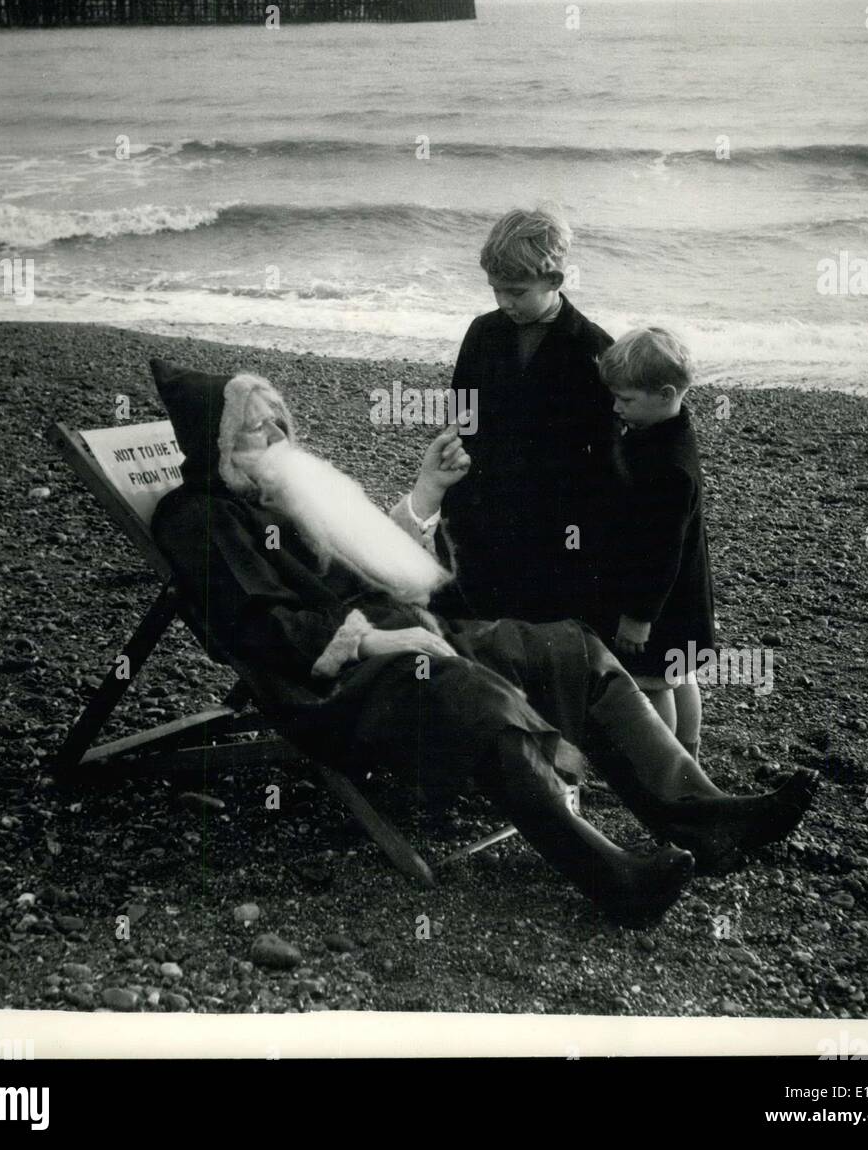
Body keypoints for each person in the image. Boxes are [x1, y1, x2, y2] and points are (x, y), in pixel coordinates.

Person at [148, 357, 818, 928]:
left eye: (276, 416)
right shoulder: (199, 517)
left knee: (572, 649)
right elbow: (260, 630)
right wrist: (381, 641)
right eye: (254, 422)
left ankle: (701, 816)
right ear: (218, 440)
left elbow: (383, 565)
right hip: (332, 686)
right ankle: (615, 878)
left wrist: (425, 496)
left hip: (414, 637)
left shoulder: (291, 491)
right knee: (474, 695)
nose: (275, 430)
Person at [442, 208, 616, 625]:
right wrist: (450, 496)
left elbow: (606, 454)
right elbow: (460, 413)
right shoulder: (483, 332)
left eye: (516, 292)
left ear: (554, 281)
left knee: (546, 630)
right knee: (479, 624)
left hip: (555, 522)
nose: (504, 302)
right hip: (484, 507)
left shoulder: (593, 347)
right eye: (496, 290)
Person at [595, 327, 715, 760]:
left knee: (652, 680)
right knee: (680, 674)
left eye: (626, 400)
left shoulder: (668, 468)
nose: (616, 407)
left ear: (665, 393)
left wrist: (638, 617)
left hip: (657, 600)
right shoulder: (671, 433)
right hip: (683, 595)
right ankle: (688, 751)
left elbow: (660, 551)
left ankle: (661, 765)